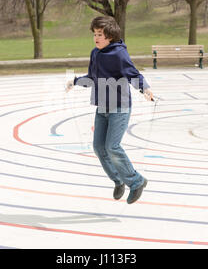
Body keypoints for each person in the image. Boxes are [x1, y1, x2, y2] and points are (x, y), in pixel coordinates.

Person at [66, 16, 154, 204]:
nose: (96, 38)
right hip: (102, 107)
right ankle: (118, 179)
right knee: (99, 147)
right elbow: (92, 78)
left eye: (100, 34)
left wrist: (144, 88)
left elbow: (133, 73)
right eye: (95, 34)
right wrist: (75, 81)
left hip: (119, 107)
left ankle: (136, 181)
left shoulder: (119, 54)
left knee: (112, 146)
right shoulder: (95, 53)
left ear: (110, 37)